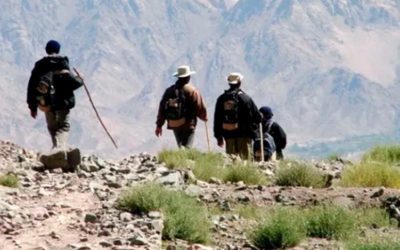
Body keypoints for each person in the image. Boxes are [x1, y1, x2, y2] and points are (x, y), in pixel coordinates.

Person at [27, 40, 83, 171]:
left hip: (46, 103)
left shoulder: (40, 65)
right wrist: (81, 79)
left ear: (46, 50)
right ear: (58, 50)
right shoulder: (63, 63)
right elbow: (73, 83)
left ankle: (58, 153)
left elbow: (31, 86)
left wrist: (32, 106)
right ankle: (60, 151)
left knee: (52, 127)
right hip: (63, 103)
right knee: (63, 127)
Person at [155, 65, 207, 148]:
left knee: (180, 146)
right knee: (187, 148)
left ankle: (180, 159)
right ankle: (185, 159)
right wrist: (204, 117)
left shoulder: (169, 91)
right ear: (188, 77)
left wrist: (159, 125)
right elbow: (199, 106)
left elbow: (162, 109)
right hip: (188, 124)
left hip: (174, 123)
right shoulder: (192, 91)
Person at [214, 72, 261, 160]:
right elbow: (257, 117)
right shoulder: (246, 99)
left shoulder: (221, 99)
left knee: (231, 161)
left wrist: (218, 136)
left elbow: (217, 119)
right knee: (246, 161)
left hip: (228, 136)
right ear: (239, 83)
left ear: (229, 83)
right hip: (244, 136)